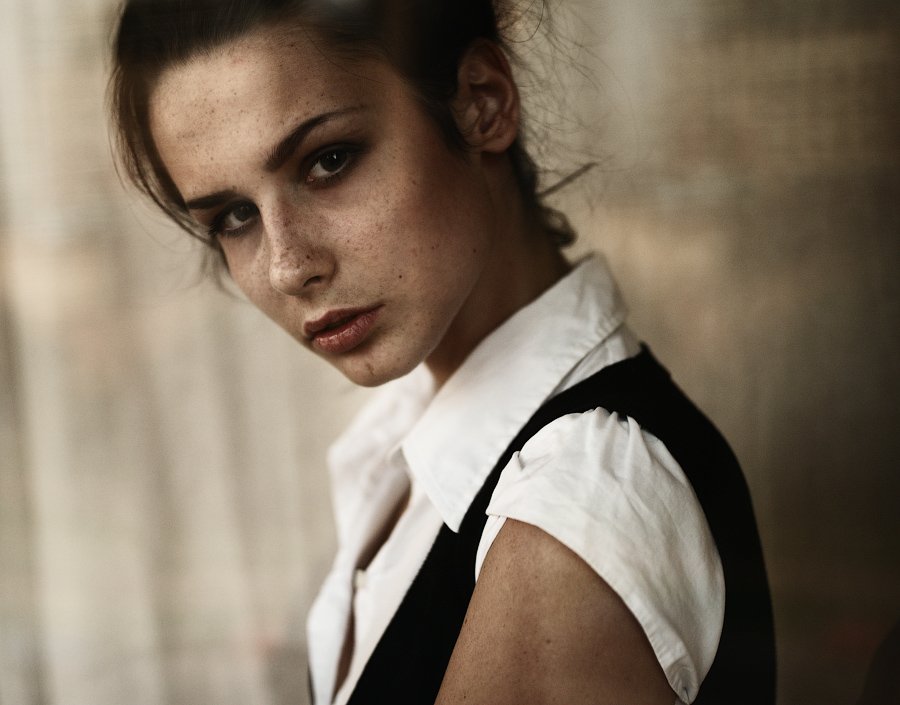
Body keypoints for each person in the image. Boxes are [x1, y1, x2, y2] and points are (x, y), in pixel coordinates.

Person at [109, 1, 776, 703]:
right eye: (234, 216)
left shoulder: (576, 506)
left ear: (482, 103)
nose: (287, 266)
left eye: (329, 161)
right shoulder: (411, 445)